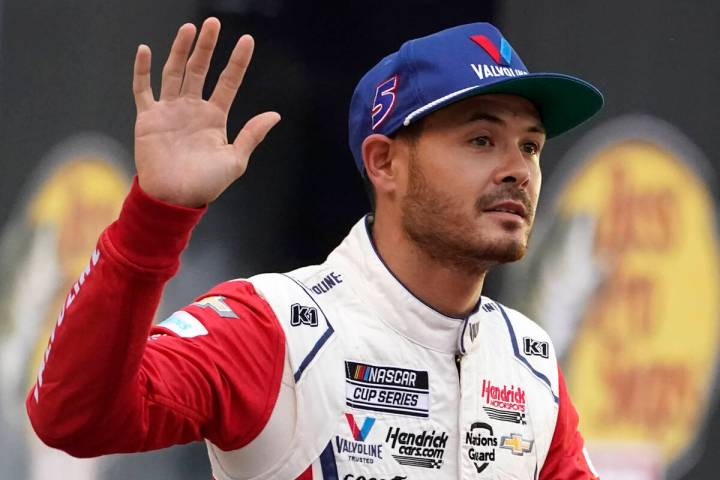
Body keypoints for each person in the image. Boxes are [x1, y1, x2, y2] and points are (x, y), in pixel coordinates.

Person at [26, 17, 603, 479]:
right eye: (482, 140)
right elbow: (73, 419)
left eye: (530, 146)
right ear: (384, 163)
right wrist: (154, 216)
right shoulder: (276, 326)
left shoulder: (527, 358)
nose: (518, 171)